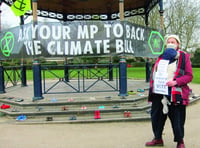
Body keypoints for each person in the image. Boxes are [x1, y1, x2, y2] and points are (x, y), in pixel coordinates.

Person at [145, 34, 193, 148]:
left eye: (173, 41)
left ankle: (180, 141)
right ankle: (157, 138)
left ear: (178, 44)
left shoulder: (183, 56)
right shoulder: (161, 56)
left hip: (175, 92)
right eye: (169, 41)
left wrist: (175, 82)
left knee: (177, 119)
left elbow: (189, 76)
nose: (171, 43)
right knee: (156, 117)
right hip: (159, 92)